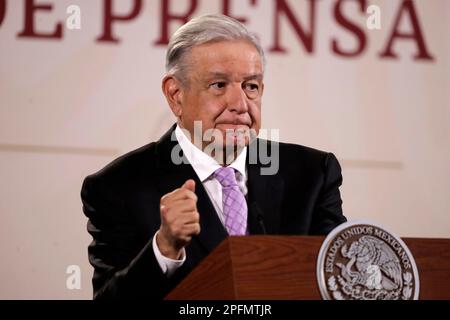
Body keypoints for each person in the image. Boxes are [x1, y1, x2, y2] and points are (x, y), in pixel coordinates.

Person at [81, 14, 346, 300]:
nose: (240, 105)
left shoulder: (312, 174)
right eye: (219, 85)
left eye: (251, 86)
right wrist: (165, 249)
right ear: (175, 95)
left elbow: (339, 279)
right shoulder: (118, 187)